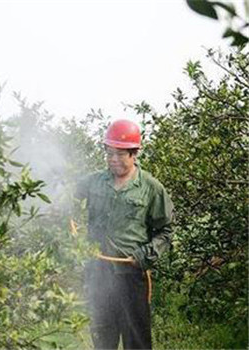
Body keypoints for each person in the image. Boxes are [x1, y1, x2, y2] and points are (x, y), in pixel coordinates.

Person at [75, 119, 174, 350]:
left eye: (120, 154)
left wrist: (145, 255)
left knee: (136, 342)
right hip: (98, 272)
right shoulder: (94, 182)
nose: (113, 160)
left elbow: (165, 231)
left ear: (134, 154)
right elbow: (69, 197)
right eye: (109, 153)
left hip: (131, 275)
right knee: (102, 338)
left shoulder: (151, 188)